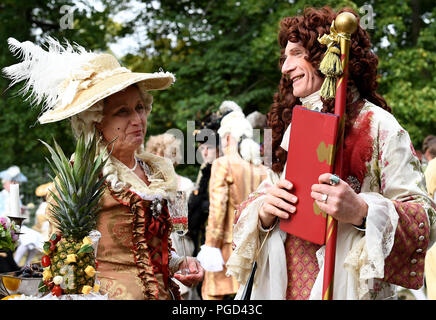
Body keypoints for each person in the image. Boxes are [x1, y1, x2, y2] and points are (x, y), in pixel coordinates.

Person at [226, 6, 436, 300]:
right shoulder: (294, 125)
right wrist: (264, 209)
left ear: (327, 55)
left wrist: (363, 212)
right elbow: (263, 196)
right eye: (285, 57)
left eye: (296, 53)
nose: (285, 68)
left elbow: (425, 219)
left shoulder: (379, 125)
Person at [3, 37, 204, 299]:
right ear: (96, 120)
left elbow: (157, 244)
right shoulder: (82, 176)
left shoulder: (155, 171)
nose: (137, 120)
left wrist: (179, 263)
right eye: (123, 112)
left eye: (140, 108)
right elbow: (65, 265)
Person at [197, 103, 268, 300]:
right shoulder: (261, 168)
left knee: (211, 296)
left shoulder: (223, 164)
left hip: (225, 247)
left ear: (227, 137)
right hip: (254, 248)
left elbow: (218, 210)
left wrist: (211, 246)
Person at [145, 132, 199, 300]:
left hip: (181, 240)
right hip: (159, 242)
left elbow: (193, 220)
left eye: (169, 154)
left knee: (185, 285)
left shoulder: (187, 185)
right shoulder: (148, 186)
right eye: (161, 154)